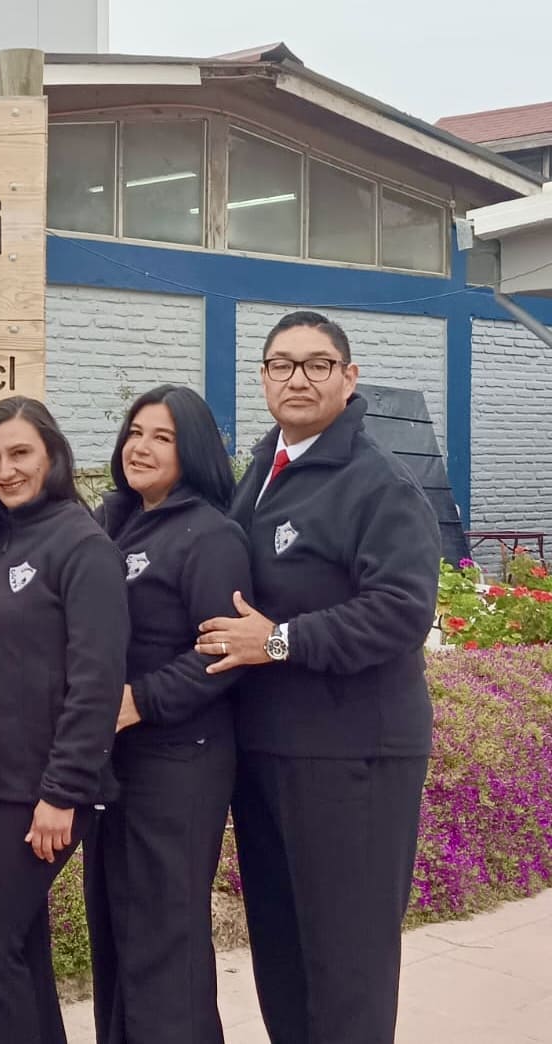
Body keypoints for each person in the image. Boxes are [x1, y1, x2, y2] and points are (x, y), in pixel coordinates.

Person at [196, 310, 440, 1044]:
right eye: (281, 364)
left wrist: (276, 641)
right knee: (284, 957)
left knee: (346, 964)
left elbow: (401, 611)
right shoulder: (265, 472)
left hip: (353, 756)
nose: (297, 377)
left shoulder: (379, 483)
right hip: (270, 752)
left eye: (316, 363)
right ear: (263, 378)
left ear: (348, 377)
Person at [0, 396, 128, 1044]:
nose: (5, 469)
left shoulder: (83, 548)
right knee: (20, 948)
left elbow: (97, 683)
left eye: (20, 453)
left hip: (47, 789)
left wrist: (62, 791)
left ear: (51, 455)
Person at [86, 385, 253, 1044]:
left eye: (162, 436)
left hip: (179, 765)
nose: (141, 447)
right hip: (108, 761)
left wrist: (136, 702)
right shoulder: (111, 524)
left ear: (193, 451)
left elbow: (226, 655)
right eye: (135, 432)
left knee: (164, 944)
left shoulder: (211, 536)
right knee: (117, 938)